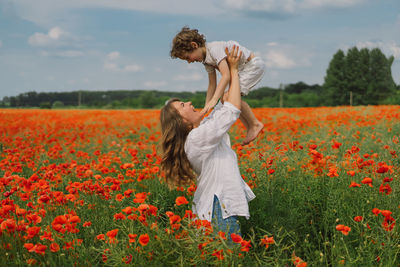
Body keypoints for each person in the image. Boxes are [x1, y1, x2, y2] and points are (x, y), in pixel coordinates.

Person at [160, 46, 255, 241]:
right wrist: (234, 70)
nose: (189, 103)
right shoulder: (197, 138)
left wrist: (214, 69)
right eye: (183, 106)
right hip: (218, 211)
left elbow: (219, 103)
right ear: (181, 121)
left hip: (216, 210)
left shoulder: (200, 130)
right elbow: (232, 109)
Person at [170, 26, 265, 145]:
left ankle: (255, 124)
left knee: (228, 97)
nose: (189, 61)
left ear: (194, 45)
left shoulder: (214, 49)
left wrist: (214, 100)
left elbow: (226, 75)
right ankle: (251, 126)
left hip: (252, 66)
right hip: (241, 70)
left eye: (188, 57)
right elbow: (212, 84)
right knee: (228, 99)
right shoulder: (206, 60)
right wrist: (206, 108)